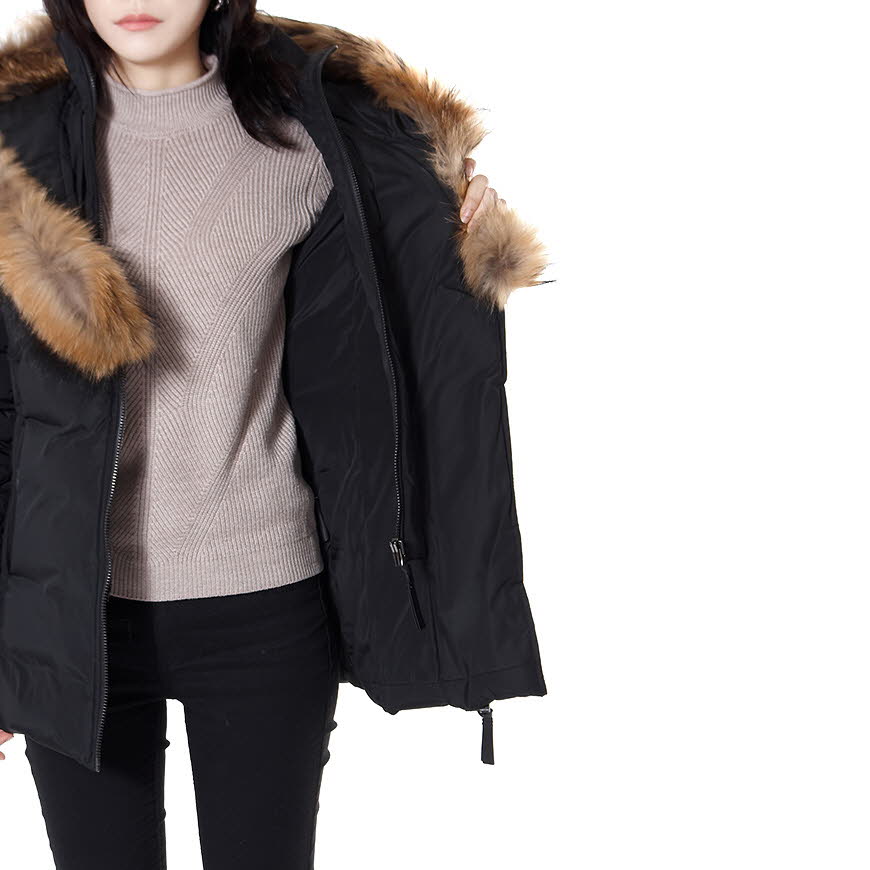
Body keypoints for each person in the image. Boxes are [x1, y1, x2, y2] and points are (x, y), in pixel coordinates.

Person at [0, 1, 550, 867]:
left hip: (264, 603)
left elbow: (383, 351)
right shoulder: (14, 150)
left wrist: (457, 226)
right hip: (71, 615)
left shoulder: (314, 138)